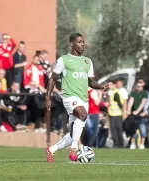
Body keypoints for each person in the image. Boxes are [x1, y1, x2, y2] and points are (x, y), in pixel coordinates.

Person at [44, 33, 109, 163]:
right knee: (83, 114)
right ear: (72, 44)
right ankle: (74, 149)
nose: (82, 44)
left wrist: (102, 86)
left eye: (83, 42)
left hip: (84, 99)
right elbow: (53, 78)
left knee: (74, 133)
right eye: (79, 42)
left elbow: (91, 82)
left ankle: (51, 150)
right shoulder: (64, 60)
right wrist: (47, 97)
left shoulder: (87, 61)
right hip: (69, 97)